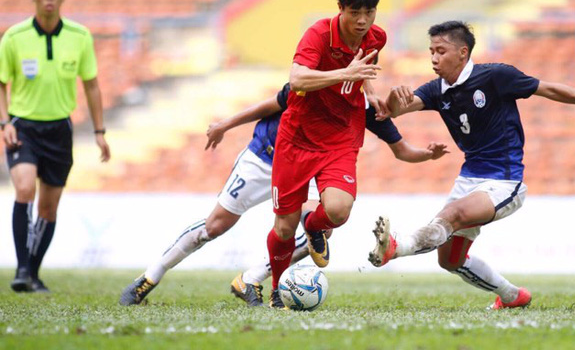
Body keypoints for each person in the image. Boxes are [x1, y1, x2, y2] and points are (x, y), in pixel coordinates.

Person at [368, 20, 575, 309]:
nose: (433, 58)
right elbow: (394, 111)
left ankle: (396, 246)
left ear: (462, 52)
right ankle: (512, 296)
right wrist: (395, 99)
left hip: (504, 180)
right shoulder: (437, 89)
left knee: (452, 214)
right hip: (469, 178)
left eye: (440, 51)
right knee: (450, 260)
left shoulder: (495, 76)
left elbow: (550, 90)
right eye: (431, 51)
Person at [119, 83, 447, 307]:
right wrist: (225, 124)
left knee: (327, 221)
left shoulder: (364, 107)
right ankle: (150, 277)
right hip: (267, 156)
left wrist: (427, 155)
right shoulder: (312, 80)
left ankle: (251, 279)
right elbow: (271, 103)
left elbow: (402, 150)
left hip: (313, 166)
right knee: (215, 226)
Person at [266, 0, 388, 308]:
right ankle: (278, 288)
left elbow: (362, 71)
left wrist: (371, 90)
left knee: (338, 210)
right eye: (355, 13)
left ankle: (314, 223)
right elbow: (297, 79)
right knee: (284, 228)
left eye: (370, 12)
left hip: (341, 137)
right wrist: (344, 73)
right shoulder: (318, 34)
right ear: (340, 8)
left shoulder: (377, 38)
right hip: (298, 137)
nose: (363, 21)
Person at [0, 0, 111, 293]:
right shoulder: (14, 37)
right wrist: (4, 122)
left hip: (60, 130)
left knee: (48, 208)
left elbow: (91, 86)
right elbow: (1, 83)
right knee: (24, 190)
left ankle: (32, 273)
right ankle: (21, 269)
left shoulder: (80, 36)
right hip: (23, 126)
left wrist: (99, 132)